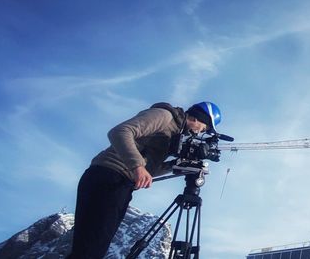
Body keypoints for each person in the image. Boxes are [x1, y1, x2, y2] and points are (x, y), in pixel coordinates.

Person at [67, 101, 223, 259]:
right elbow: (120, 132)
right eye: (204, 128)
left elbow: (148, 171)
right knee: (90, 249)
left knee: (90, 249)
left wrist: (175, 166)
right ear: (198, 119)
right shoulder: (164, 116)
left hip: (121, 183)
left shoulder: (174, 134)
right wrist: (137, 166)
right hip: (108, 176)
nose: (199, 133)